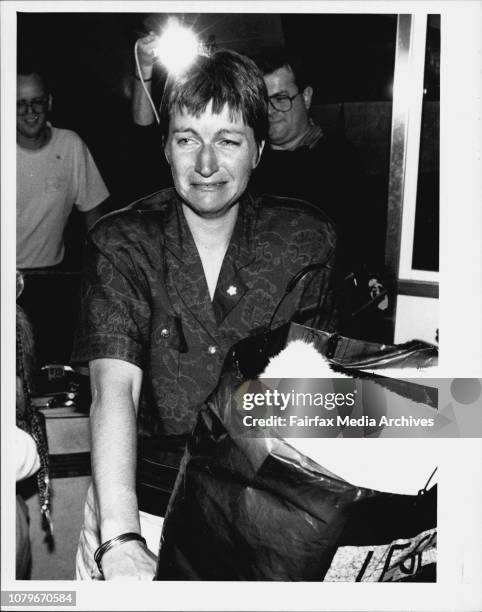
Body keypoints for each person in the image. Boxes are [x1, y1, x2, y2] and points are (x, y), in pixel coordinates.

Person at [72, 47, 339, 580]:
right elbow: (113, 391)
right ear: (166, 147)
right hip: (136, 510)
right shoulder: (122, 243)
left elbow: (312, 399)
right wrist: (122, 541)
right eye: (187, 139)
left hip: (261, 521)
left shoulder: (304, 239)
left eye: (229, 141)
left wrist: (445, 412)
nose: (206, 164)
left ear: (260, 149)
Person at [16, 65, 110, 270]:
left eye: (37, 101)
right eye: (20, 104)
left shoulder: (70, 144)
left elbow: (93, 216)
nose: (30, 111)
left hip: (52, 274)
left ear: (48, 102)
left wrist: (99, 269)